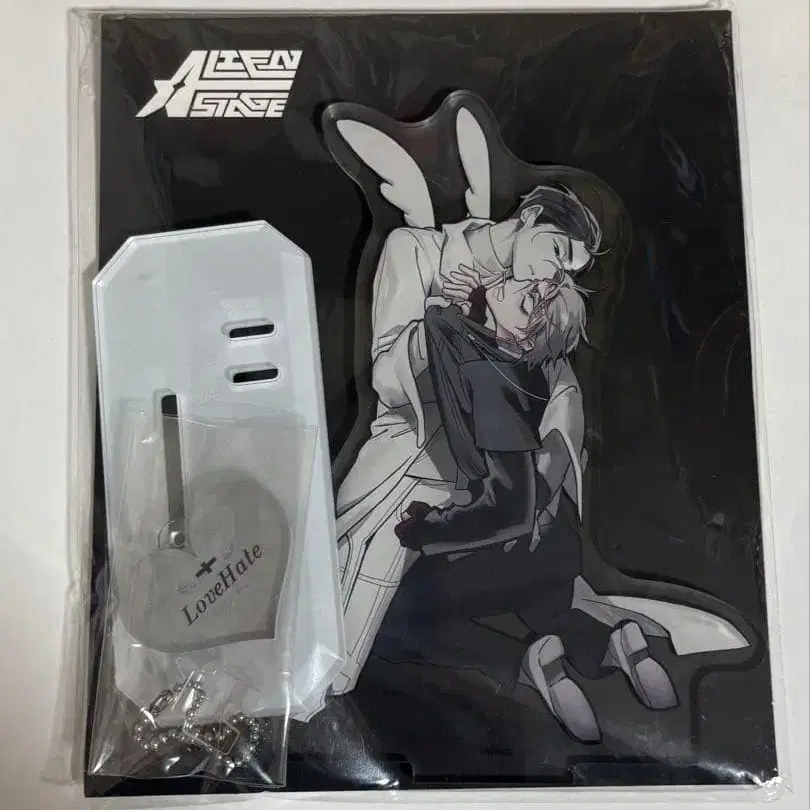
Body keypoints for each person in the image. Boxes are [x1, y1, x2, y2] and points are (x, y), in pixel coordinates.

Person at [333, 185, 602, 698]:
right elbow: (387, 379)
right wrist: (448, 323)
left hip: (472, 480)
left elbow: (552, 391)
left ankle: (578, 647)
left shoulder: (524, 297)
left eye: (567, 271)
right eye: (558, 251)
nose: (554, 275)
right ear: (531, 216)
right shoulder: (416, 250)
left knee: (371, 632)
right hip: (404, 456)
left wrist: (547, 477)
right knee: (346, 599)